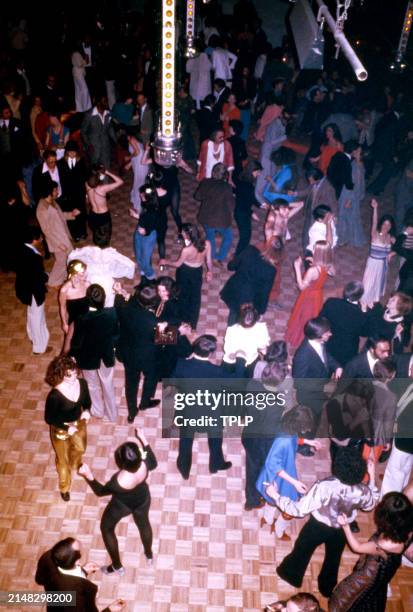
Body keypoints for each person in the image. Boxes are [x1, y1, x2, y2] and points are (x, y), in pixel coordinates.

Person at [266, 447, 379, 598]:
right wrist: (371, 476)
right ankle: (327, 587)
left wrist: (275, 496)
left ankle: (291, 574)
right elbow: (371, 503)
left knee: (303, 547)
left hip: (318, 526)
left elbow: (298, 510)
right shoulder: (363, 491)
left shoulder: (325, 486)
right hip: (341, 529)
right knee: (334, 557)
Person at [78, 428, 157, 575]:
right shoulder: (146, 461)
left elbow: (100, 492)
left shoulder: (118, 481)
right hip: (143, 498)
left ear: (122, 464)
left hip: (123, 504)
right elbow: (153, 461)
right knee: (144, 524)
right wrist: (143, 438)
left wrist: (88, 475)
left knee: (106, 528)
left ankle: (117, 566)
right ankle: (149, 555)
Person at [329, 492, 413, 611]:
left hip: (376, 570)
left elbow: (357, 547)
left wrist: (346, 526)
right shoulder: (407, 529)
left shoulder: (383, 545)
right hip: (391, 565)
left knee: (359, 596)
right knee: (378, 590)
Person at [172, 335, 234, 479]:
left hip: (188, 411)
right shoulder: (217, 372)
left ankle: (184, 468)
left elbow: (173, 382)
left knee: (186, 440)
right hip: (211, 413)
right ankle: (216, 464)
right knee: (216, 439)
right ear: (211, 354)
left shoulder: (181, 364)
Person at [256, 406, 320, 540]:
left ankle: (267, 519)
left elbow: (293, 440)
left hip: (280, 473)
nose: (307, 430)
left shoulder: (286, 427)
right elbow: (273, 464)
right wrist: (294, 482)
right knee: (290, 506)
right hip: (281, 475)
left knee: (272, 499)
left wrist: (307, 441)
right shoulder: (283, 442)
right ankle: (279, 530)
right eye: (306, 426)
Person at [44, 355, 91, 501]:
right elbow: (49, 418)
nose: (73, 378)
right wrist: (66, 427)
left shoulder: (82, 384)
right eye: (69, 376)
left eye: (75, 373)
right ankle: (64, 487)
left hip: (78, 423)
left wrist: (87, 411)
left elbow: (87, 402)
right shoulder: (55, 396)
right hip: (60, 429)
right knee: (63, 463)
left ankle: (75, 463)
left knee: (81, 448)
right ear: (60, 375)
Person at [70, 284, 119, 422]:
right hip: (106, 355)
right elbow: (116, 335)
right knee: (107, 383)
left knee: (92, 385)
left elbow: (77, 341)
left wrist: (73, 356)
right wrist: (113, 348)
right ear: (103, 299)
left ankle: (97, 411)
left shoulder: (81, 318)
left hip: (87, 357)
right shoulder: (112, 313)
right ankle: (112, 414)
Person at [35, 537, 125, 611]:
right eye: (79, 550)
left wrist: (83, 571)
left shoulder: (47, 556)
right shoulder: (76, 601)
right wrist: (110, 610)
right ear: (77, 562)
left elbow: (39, 580)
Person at [114, 283, 161, 422]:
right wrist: (178, 332)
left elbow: (120, 301)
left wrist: (121, 292)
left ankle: (132, 412)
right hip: (147, 356)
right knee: (151, 376)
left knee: (131, 383)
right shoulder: (153, 321)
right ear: (153, 304)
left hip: (128, 353)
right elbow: (161, 339)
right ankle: (145, 402)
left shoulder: (124, 307)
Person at [292, 317, 342, 443]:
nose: (330, 334)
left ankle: (309, 436)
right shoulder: (302, 356)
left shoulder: (319, 343)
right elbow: (299, 382)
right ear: (318, 336)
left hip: (318, 390)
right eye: (327, 333)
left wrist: (337, 366)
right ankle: (304, 443)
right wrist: (322, 388)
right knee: (309, 419)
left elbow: (326, 357)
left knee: (316, 415)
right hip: (309, 396)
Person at [160, 224, 212, 331]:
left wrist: (165, 261)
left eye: (183, 233)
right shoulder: (207, 243)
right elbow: (209, 260)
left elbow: (178, 264)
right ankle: (193, 324)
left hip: (185, 272)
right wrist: (209, 271)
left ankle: (183, 319)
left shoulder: (186, 250)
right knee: (196, 296)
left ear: (187, 235)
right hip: (197, 272)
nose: (181, 234)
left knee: (183, 294)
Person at [285, 241, 333, 349]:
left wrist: (297, 268)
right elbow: (332, 272)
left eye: (315, 249)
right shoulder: (328, 265)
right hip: (318, 295)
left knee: (303, 317)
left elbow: (301, 286)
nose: (313, 250)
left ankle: (298, 339)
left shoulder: (312, 271)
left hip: (308, 296)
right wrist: (315, 262)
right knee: (312, 316)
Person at [221, 240, 279, 324]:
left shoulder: (250, 250)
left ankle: (229, 335)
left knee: (233, 313)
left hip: (235, 288)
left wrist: (230, 265)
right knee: (245, 321)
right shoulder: (271, 270)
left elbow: (232, 265)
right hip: (250, 299)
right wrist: (261, 311)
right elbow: (265, 293)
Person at [36, 180, 78, 287]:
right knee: (61, 262)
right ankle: (53, 281)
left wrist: (71, 214)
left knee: (65, 260)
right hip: (57, 240)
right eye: (55, 190)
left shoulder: (52, 201)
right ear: (49, 191)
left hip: (63, 236)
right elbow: (46, 231)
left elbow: (59, 216)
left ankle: (62, 277)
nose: (57, 191)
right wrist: (59, 244)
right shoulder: (42, 209)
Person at [15, 226, 50, 355]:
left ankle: (31, 335)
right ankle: (39, 346)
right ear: (34, 240)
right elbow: (39, 277)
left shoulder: (21, 248)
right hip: (34, 291)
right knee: (37, 316)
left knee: (31, 313)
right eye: (40, 237)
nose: (41, 239)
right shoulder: (34, 258)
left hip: (24, 288)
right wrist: (47, 276)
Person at [195, 162, 235, 266]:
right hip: (221, 220)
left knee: (210, 237)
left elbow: (197, 196)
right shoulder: (227, 187)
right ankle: (219, 257)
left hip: (206, 217)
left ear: (213, 173)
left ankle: (211, 257)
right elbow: (231, 205)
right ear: (225, 175)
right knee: (229, 237)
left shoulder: (205, 182)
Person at [320, 281, 369, 365]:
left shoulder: (331, 302)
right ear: (360, 296)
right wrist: (364, 312)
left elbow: (321, 319)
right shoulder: (360, 314)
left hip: (329, 343)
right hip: (347, 350)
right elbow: (364, 332)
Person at [361, 199, 395, 309]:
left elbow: (392, 250)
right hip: (373, 263)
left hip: (382, 264)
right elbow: (374, 222)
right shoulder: (375, 234)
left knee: (377, 284)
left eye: (389, 225)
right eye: (385, 224)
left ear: (391, 227)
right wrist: (375, 208)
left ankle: (371, 300)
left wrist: (391, 254)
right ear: (381, 224)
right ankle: (363, 301)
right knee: (368, 282)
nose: (386, 227)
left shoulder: (390, 237)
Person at [337, 140, 366, 247]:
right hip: (348, 193)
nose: (355, 152)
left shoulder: (357, 166)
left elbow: (356, 185)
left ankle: (344, 238)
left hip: (349, 195)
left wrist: (349, 200)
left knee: (345, 216)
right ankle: (346, 237)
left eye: (358, 151)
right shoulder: (357, 163)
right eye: (355, 150)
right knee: (350, 216)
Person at [58, 141, 88, 241]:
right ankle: (74, 234)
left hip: (79, 191)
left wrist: (86, 192)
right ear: (66, 152)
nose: (72, 154)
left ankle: (83, 232)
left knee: (81, 212)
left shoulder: (81, 161)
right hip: (67, 193)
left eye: (74, 152)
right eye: (70, 152)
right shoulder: (61, 163)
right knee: (71, 214)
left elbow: (85, 176)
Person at [86, 167, 124, 248]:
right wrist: (107, 172)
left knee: (97, 236)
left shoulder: (87, 184)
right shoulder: (102, 189)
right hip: (103, 216)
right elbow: (120, 182)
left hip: (93, 215)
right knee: (106, 237)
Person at [130, 184, 161, 281]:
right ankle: (143, 270)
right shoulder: (146, 203)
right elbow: (145, 218)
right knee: (138, 253)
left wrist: (145, 231)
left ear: (148, 196)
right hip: (140, 230)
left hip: (148, 235)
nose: (140, 196)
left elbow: (153, 224)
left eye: (142, 195)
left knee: (145, 259)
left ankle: (151, 276)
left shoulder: (154, 210)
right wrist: (138, 216)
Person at [59, 260, 90, 354]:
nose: (85, 276)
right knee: (69, 349)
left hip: (87, 320)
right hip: (74, 323)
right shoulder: (65, 290)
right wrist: (64, 324)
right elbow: (62, 307)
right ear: (74, 274)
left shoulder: (87, 284)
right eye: (82, 274)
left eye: (85, 273)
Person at [233, 159, 263, 256]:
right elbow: (246, 201)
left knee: (246, 236)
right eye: (258, 172)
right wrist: (252, 212)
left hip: (242, 211)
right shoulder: (247, 185)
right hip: (242, 213)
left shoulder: (244, 180)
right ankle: (237, 257)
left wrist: (259, 206)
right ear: (252, 170)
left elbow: (248, 198)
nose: (259, 174)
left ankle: (239, 255)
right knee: (245, 237)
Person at [81, 97, 116, 168]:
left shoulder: (108, 113)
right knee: (95, 169)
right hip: (93, 147)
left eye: (106, 101)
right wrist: (88, 144)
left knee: (106, 167)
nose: (106, 103)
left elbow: (110, 128)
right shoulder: (89, 115)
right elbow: (83, 131)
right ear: (98, 103)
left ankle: (105, 178)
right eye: (104, 101)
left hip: (105, 146)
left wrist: (116, 140)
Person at [124, 132, 151, 214]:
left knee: (139, 184)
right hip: (138, 163)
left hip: (140, 164)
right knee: (139, 183)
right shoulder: (134, 138)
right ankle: (139, 203)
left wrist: (129, 157)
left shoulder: (131, 139)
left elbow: (137, 152)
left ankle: (139, 207)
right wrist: (129, 164)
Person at [186, 44, 212, 110]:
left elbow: (187, 70)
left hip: (197, 88)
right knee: (203, 107)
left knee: (197, 107)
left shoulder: (194, 58)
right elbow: (211, 67)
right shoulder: (205, 57)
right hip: (202, 89)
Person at [71, 46, 92, 113]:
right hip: (78, 74)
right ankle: (86, 107)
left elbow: (86, 62)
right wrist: (85, 60)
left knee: (78, 92)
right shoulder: (76, 53)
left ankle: (80, 108)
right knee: (84, 90)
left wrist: (86, 59)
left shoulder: (76, 53)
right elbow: (80, 64)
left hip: (77, 73)